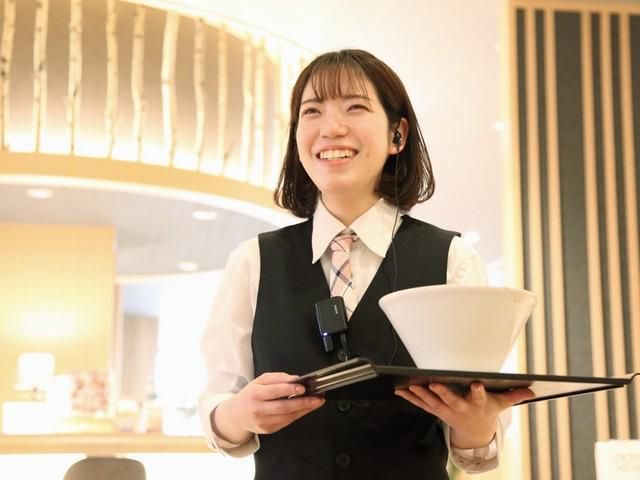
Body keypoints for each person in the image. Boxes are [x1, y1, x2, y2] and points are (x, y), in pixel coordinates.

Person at [198, 49, 533, 479]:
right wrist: (238, 414)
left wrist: (476, 423)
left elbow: (476, 452)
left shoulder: (453, 260)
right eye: (312, 111)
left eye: (355, 107)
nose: (331, 128)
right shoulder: (253, 261)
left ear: (398, 135)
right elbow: (220, 406)